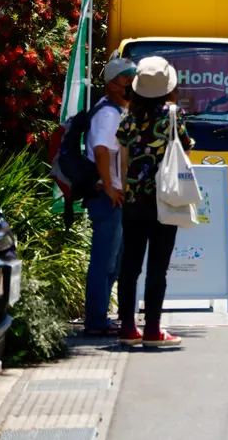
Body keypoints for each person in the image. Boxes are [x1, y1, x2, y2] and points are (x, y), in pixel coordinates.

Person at [115, 56, 192, 347]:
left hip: (133, 200)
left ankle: (126, 327)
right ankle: (153, 330)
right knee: (158, 267)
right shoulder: (173, 114)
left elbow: (122, 158)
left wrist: (125, 188)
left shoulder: (128, 116)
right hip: (165, 200)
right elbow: (186, 152)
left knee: (130, 266)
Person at [82, 57, 136, 336]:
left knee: (112, 262)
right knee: (104, 262)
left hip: (111, 196)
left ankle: (100, 318)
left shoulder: (114, 110)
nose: (131, 84)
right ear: (113, 84)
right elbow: (101, 151)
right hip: (107, 197)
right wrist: (109, 187)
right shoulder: (109, 114)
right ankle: (96, 322)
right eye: (127, 79)